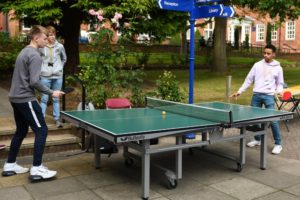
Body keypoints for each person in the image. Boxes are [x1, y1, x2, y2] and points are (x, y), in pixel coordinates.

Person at [2, 25, 64, 179]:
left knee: (21, 131)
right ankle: (37, 168)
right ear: (36, 38)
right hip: (25, 98)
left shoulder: (24, 51)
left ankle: (10, 165)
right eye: (44, 38)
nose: (47, 40)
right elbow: (35, 81)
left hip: (15, 98)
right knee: (42, 130)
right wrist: (52, 92)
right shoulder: (35, 55)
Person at [231, 44, 284, 155]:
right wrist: (240, 91)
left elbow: (280, 83)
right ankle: (257, 139)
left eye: (268, 53)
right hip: (256, 96)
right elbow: (248, 79)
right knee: (255, 120)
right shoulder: (257, 65)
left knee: (273, 121)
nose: (266, 55)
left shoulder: (278, 68)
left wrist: (279, 91)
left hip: (269, 96)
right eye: (264, 53)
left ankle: (278, 144)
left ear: (274, 54)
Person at [40, 26, 67, 128]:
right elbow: (38, 59)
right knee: (44, 98)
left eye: (54, 34)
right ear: (46, 36)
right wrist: (41, 70)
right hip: (45, 76)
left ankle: (57, 119)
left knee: (56, 99)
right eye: (50, 35)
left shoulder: (60, 46)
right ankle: (41, 120)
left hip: (57, 76)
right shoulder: (42, 47)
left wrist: (59, 68)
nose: (53, 36)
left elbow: (64, 58)